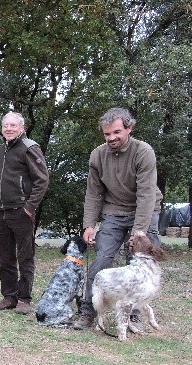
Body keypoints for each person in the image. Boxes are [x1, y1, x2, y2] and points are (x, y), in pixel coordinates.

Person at [73, 107, 163, 330]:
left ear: (129, 128)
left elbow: (146, 194)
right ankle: (88, 311)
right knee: (102, 259)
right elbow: (94, 193)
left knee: (138, 265)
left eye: (116, 132)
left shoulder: (144, 152)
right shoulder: (97, 155)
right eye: (107, 134)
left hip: (146, 209)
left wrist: (140, 230)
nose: (111, 138)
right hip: (114, 210)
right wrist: (89, 224)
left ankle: (133, 316)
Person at [0, 111, 49, 315]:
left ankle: (24, 298)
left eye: (13, 125)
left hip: (21, 211)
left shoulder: (29, 147)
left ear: (22, 128)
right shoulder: (2, 149)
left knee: (25, 256)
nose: (8, 128)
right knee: (4, 257)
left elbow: (42, 180)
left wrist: (29, 207)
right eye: (5, 125)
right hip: (1, 211)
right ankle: (9, 296)